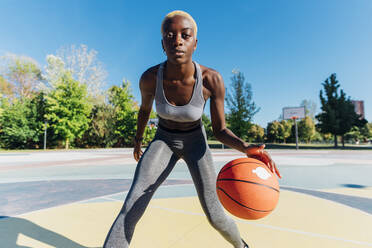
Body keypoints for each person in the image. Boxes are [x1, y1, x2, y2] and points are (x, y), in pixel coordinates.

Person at [103, 10, 281, 248]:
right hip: (163, 141)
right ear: (162, 44)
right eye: (170, 35)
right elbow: (144, 111)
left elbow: (220, 130)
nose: (177, 40)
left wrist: (245, 147)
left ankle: (242, 246)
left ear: (195, 43)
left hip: (196, 143)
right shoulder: (150, 78)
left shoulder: (211, 79)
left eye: (185, 35)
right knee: (132, 205)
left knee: (215, 215)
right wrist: (138, 140)